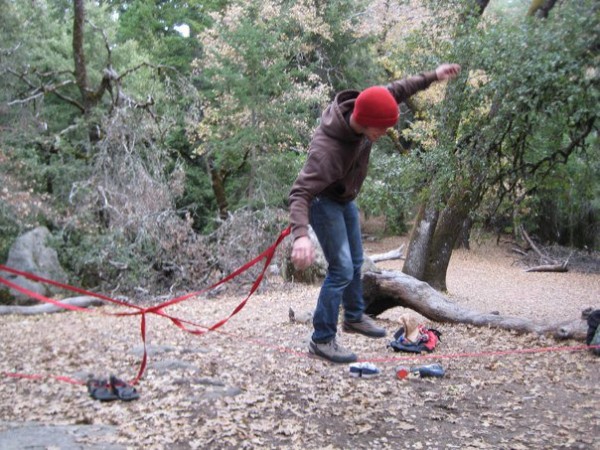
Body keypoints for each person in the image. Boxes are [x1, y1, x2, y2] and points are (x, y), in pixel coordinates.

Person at [288, 63, 461, 363]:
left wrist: (433, 75)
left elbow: (399, 89)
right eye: (381, 128)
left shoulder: (370, 105)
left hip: (344, 199)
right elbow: (300, 192)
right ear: (364, 121)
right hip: (322, 202)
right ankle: (322, 340)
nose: (385, 133)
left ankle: (354, 316)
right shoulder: (327, 149)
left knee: (357, 262)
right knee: (341, 269)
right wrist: (300, 236)